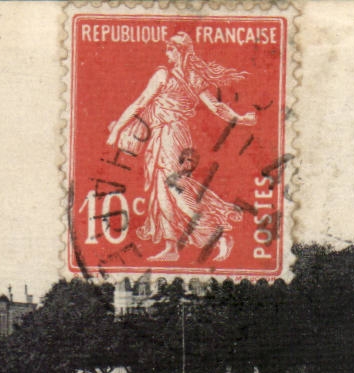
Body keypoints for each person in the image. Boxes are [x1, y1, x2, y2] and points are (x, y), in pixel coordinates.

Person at [104, 31, 258, 263]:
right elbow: (216, 107)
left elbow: (141, 103)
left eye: (170, 49)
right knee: (161, 193)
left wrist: (117, 130)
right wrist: (240, 118)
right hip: (161, 135)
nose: (167, 53)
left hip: (172, 136)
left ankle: (221, 234)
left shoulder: (167, 75)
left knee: (177, 193)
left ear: (179, 51)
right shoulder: (186, 76)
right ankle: (171, 247)